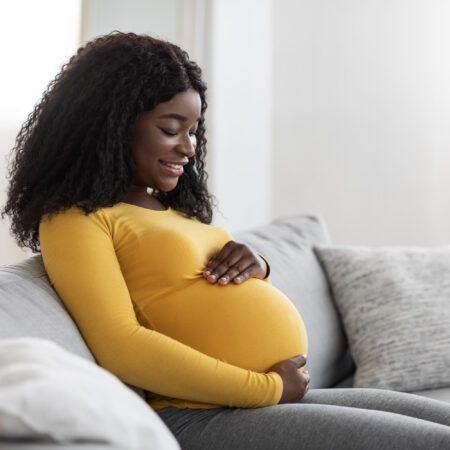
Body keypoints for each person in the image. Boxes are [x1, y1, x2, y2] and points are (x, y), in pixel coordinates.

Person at [1, 31, 449, 450]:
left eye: (193, 130)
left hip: (264, 400)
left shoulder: (169, 208)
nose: (189, 147)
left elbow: (199, 292)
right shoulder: (76, 219)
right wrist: (268, 387)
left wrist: (257, 263)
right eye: (171, 129)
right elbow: (122, 344)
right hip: (201, 415)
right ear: (112, 126)